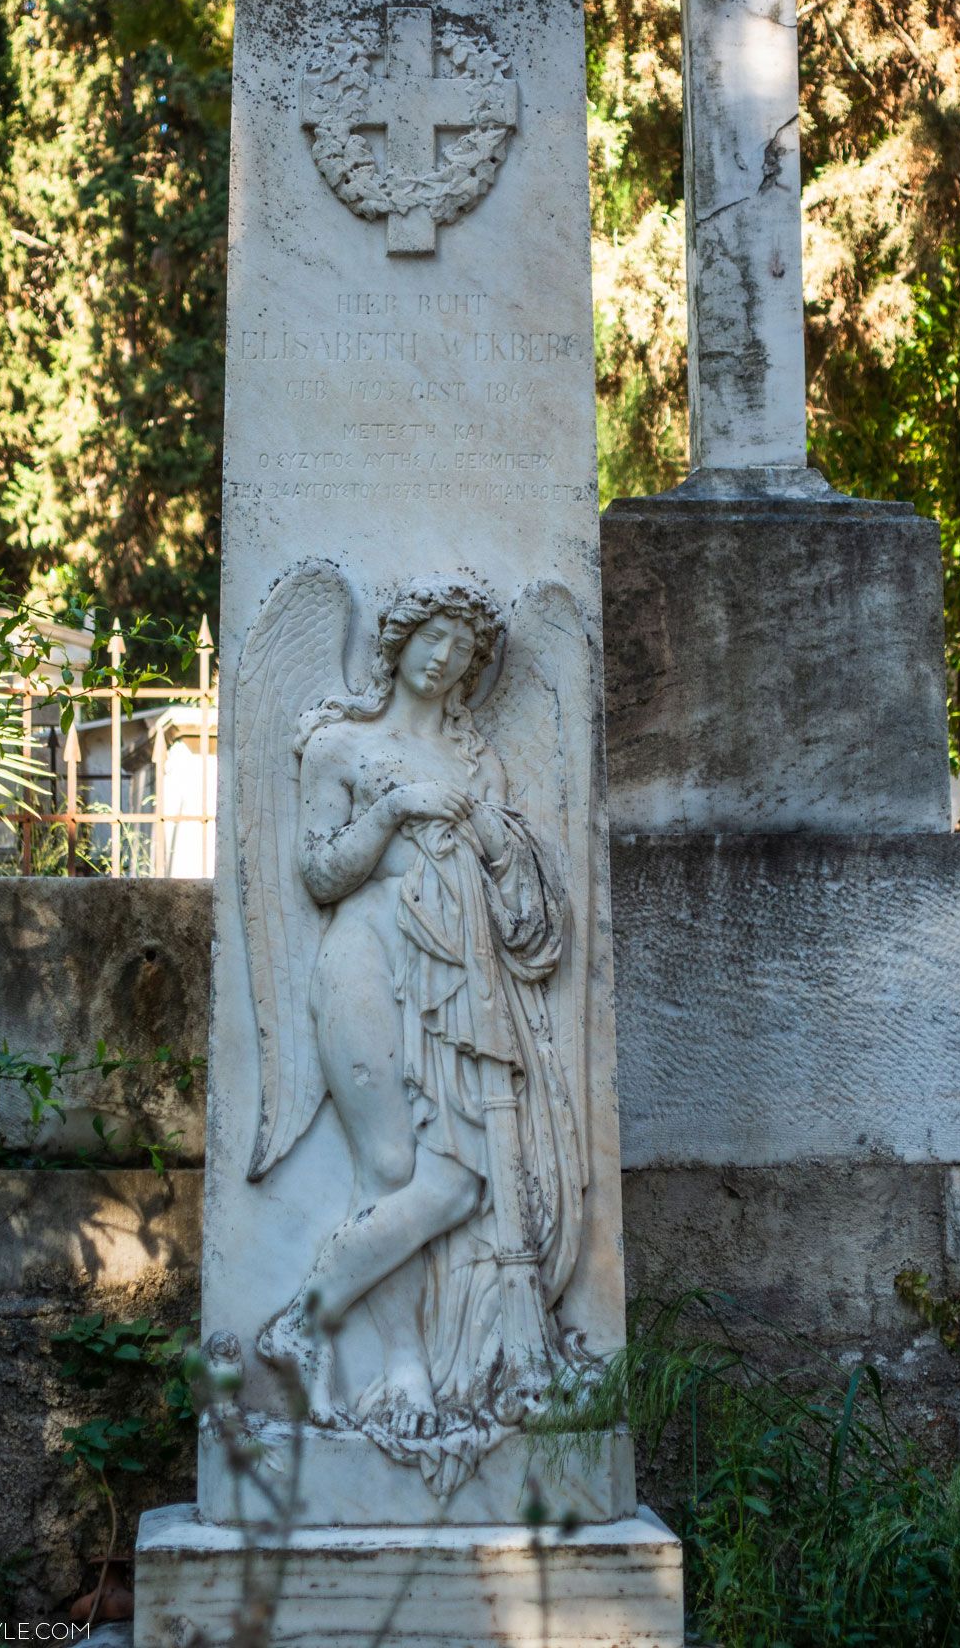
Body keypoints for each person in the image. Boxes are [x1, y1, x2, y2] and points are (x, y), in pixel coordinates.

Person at [257, 575, 583, 1463]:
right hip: (364, 954)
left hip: (458, 976)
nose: (444, 660)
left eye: (464, 650)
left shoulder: (479, 762)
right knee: (392, 1164)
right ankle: (401, 1367)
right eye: (431, 638)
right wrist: (395, 808)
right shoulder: (339, 745)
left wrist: (489, 838)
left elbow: (506, 872)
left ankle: (305, 1322)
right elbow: (320, 875)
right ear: (398, 640)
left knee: (457, 1183)